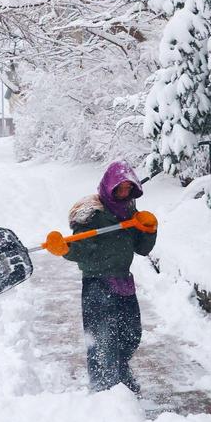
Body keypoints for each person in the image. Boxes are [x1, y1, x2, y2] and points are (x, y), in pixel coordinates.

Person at [44, 161, 158, 394]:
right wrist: (65, 249)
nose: (124, 192)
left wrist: (149, 230)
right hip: (97, 283)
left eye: (128, 188)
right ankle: (103, 389)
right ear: (109, 186)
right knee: (102, 340)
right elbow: (82, 249)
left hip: (124, 282)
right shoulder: (93, 216)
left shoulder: (130, 213)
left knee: (131, 335)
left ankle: (121, 372)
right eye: (120, 188)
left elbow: (142, 249)